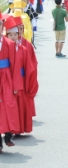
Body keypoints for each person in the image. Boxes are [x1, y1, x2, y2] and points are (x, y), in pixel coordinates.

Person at [4, 16, 36, 136]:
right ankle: (11, 129)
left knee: (21, 104)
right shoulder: (4, 49)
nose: (13, 37)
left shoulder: (24, 48)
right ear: (6, 35)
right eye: (10, 35)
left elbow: (30, 66)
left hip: (22, 79)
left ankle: (20, 128)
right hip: (7, 79)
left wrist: (29, 81)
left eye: (15, 34)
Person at [0, 11, 23, 151]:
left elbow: (14, 65)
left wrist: (16, 85)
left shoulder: (8, 43)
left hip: (6, 77)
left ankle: (7, 135)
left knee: (8, 105)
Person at [13, 15, 38, 118]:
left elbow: (33, 62)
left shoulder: (27, 44)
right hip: (13, 76)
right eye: (17, 28)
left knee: (25, 97)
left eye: (21, 28)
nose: (19, 31)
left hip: (24, 75)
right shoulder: (10, 43)